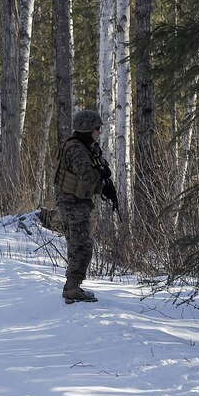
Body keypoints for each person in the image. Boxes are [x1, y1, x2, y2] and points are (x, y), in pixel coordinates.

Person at [53, 109, 116, 304]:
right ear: (89, 129)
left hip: (79, 202)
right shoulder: (77, 149)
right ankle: (73, 288)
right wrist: (102, 173)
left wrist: (106, 187)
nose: (99, 132)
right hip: (73, 204)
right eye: (97, 128)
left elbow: (97, 169)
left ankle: (72, 286)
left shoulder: (88, 147)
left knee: (78, 245)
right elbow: (88, 175)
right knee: (82, 246)